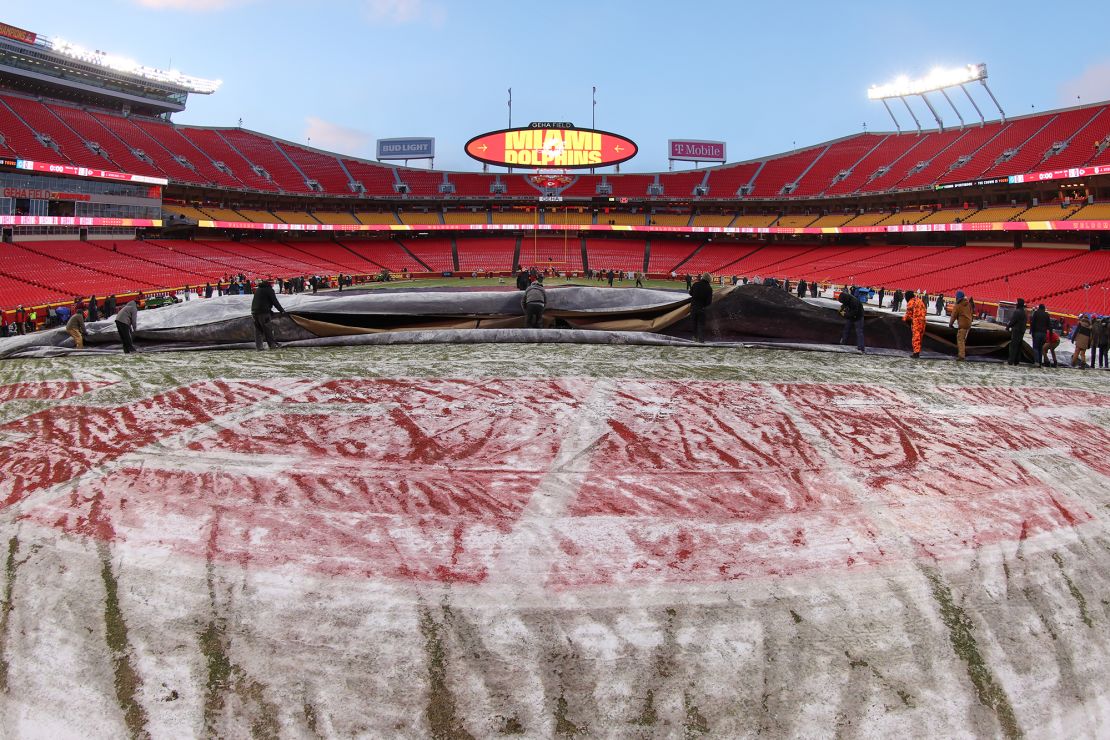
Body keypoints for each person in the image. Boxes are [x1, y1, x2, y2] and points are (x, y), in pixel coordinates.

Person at [251, 279, 287, 351]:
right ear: (270, 284)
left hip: (254, 312)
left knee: (258, 330)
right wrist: (282, 311)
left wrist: (270, 310)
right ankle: (272, 346)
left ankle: (259, 347)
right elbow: (275, 301)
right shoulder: (269, 290)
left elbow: (261, 301)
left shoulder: (258, 289)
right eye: (273, 283)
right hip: (263, 313)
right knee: (267, 329)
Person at [838, 287, 865, 354]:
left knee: (859, 332)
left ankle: (861, 347)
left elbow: (854, 312)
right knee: (846, 329)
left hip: (858, 317)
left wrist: (845, 314)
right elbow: (844, 305)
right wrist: (840, 310)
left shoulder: (854, 301)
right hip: (851, 316)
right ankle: (843, 343)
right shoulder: (847, 299)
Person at [949, 291, 973, 361]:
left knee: (960, 340)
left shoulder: (958, 305)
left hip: (963, 325)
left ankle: (961, 356)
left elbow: (953, 316)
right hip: (969, 324)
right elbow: (971, 312)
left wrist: (950, 324)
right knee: (964, 340)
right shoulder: (968, 304)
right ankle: (963, 353)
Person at [690, 273, 713, 343]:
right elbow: (709, 302)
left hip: (694, 307)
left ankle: (694, 337)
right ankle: (701, 339)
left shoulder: (695, 284)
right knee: (701, 324)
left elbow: (690, 293)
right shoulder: (709, 288)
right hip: (702, 308)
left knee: (694, 323)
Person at [902, 290, 926, 358]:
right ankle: (918, 351)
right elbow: (924, 310)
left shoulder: (911, 302)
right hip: (923, 321)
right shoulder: (919, 300)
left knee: (916, 338)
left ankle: (916, 353)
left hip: (916, 322)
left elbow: (908, 314)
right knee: (920, 337)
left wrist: (903, 319)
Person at [1006, 298, 1028, 366]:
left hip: (1016, 331)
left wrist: (1008, 326)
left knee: (1013, 346)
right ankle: (1017, 361)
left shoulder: (1017, 311)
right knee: (1019, 346)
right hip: (1022, 331)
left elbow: (1013, 321)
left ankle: (1011, 361)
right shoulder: (1024, 312)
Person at [1029, 304, 1051, 368]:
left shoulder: (1036, 313)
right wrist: (1050, 334)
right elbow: (1049, 325)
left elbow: (1033, 323)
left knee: (1035, 348)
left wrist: (1031, 331)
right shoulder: (1047, 315)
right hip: (1044, 333)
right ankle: (1040, 362)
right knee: (1040, 348)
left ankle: (1037, 362)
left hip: (1037, 332)